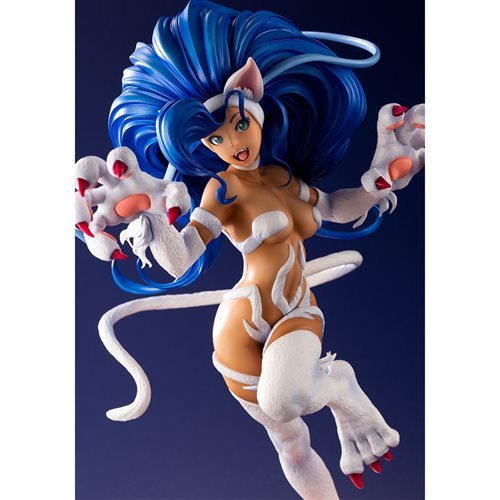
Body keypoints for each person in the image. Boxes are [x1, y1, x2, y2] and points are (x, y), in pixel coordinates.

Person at [75, 1, 424, 497]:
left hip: (294, 310)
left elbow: (334, 208)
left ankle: (340, 385)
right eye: (214, 139)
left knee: (285, 400)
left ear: (254, 96)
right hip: (238, 332)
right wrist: (152, 219)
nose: (233, 144)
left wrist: (375, 182)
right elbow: (181, 261)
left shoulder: (284, 178)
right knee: (291, 445)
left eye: (239, 125)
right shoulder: (221, 191)